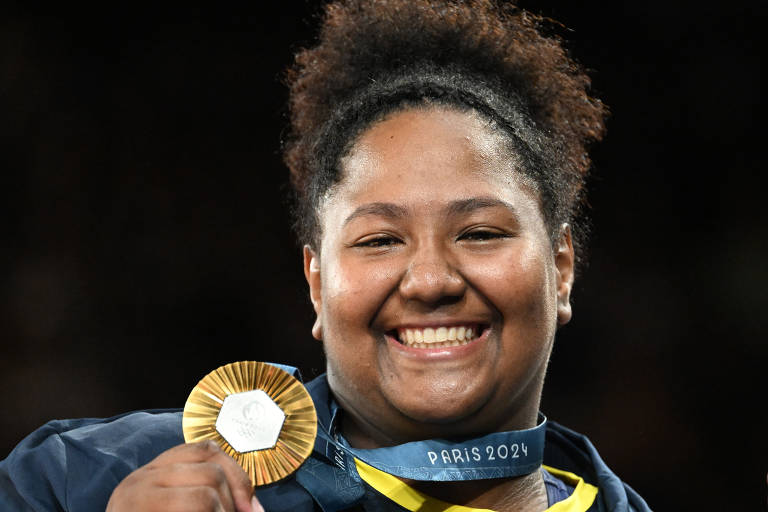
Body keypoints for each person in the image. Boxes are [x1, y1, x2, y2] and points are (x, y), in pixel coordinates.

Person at [0, 1, 651, 511]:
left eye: (480, 232)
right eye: (379, 240)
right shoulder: (82, 481)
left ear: (561, 267)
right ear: (317, 282)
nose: (429, 280)